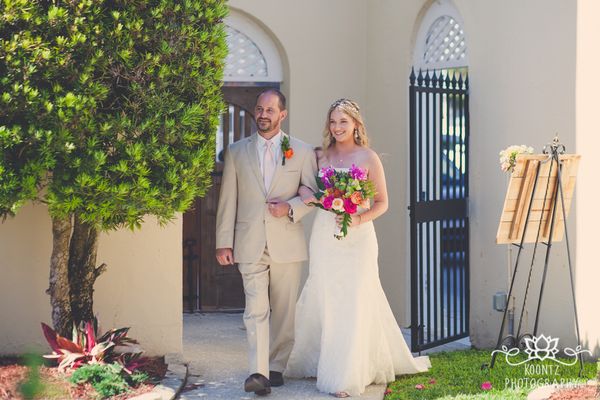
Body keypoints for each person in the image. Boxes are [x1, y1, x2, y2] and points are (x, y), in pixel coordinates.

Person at [285, 99, 430, 397]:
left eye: (343, 122)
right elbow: (307, 189)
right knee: (326, 294)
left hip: (359, 237)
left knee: (355, 298)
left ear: (356, 125)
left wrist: (358, 217)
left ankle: (348, 373)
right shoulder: (320, 156)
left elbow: (383, 203)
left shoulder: (368, 157)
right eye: (333, 122)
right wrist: (309, 195)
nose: (337, 128)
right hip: (326, 235)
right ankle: (321, 361)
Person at [215, 88, 317, 396]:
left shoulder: (301, 151)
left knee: (284, 311)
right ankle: (258, 372)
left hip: (287, 240)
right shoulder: (236, 151)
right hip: (249, 242)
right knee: (255, 308)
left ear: (282, 114)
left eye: (270, 110)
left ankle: (276, 366)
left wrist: (290, 208)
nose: (263, 114)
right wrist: (223, 241)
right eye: (259, 109)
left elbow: (312, 195)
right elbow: (227, 200)